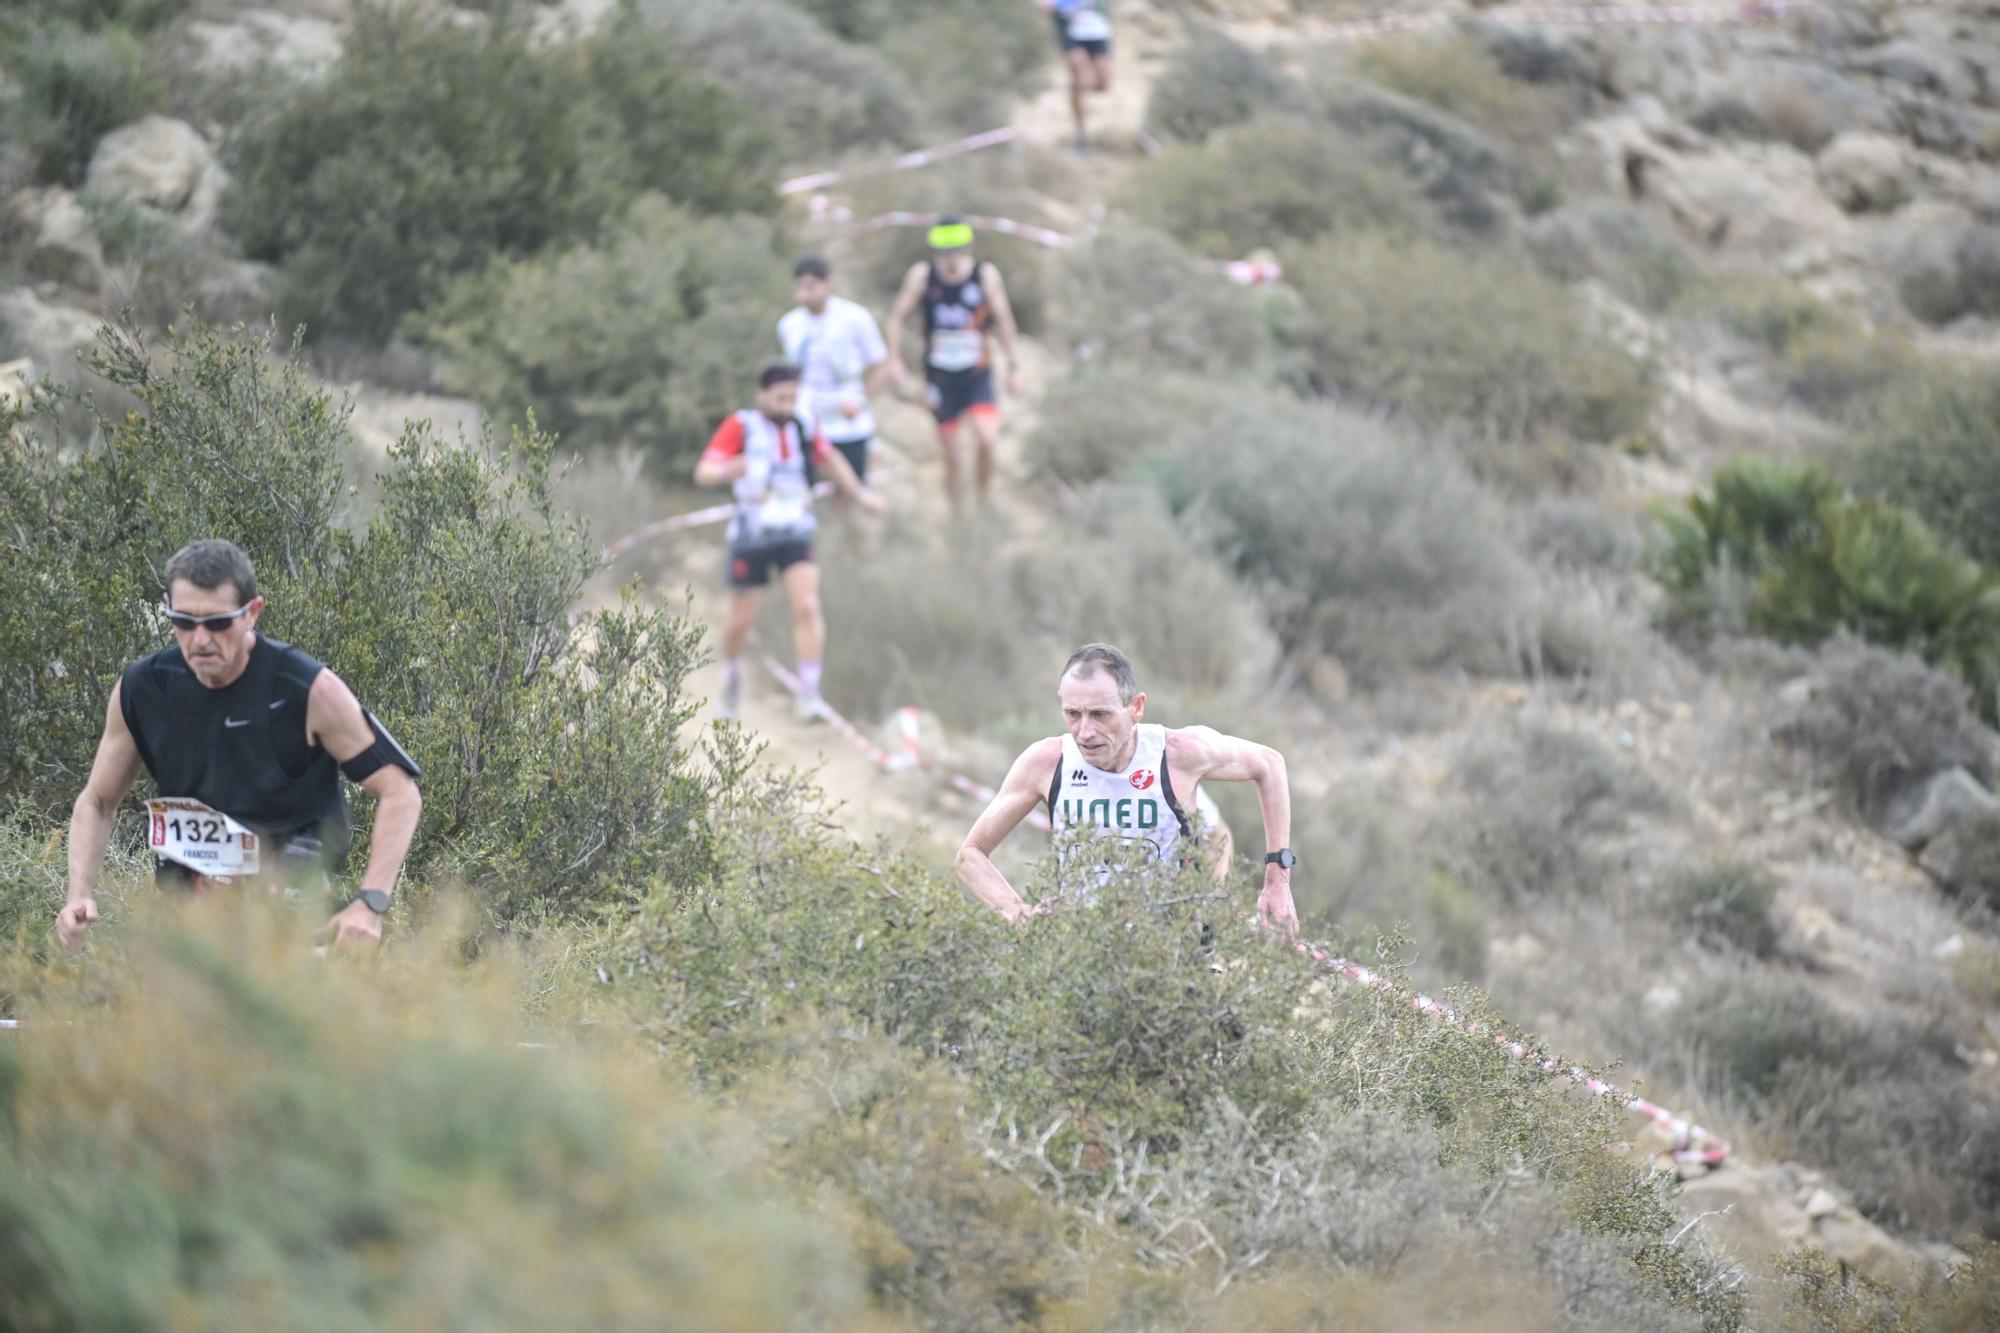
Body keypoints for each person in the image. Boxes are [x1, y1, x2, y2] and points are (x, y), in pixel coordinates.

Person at [57, 539, 423, 952]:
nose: (200, 640)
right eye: (183, 621)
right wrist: (79, 894)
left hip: (295, 921)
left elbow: (401, 792)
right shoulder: (143, 690)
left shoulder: (305, 689)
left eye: (217, 623)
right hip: (192, 924)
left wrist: (370, 904)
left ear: (252, 613)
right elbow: (97, 802)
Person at [956, 643, 1297, 932]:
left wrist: (1277, 880)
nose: (1085, 732)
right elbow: (970, 855)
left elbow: (1270, 765)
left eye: (1100, 715)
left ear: (1136, 708)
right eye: (1073, 714)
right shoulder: (1046, 763)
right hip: (1082, 952)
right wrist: (1020, 915)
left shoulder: (1178, 754)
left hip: (1174, 953)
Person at [695, 360, 884, 722]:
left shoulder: (803, 425)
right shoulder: (742, 425)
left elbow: (831, 461)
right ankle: (732, 679)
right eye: (781, 397)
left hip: (796, 529)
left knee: (808, 607)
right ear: (763, 394)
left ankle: (809, 692)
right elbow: (704, 472)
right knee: (741, 621)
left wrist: (861, 495)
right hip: (752, 532)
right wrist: (731, 468)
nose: (787, 404)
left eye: (793, 397)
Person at [883, 218, 1022, 510]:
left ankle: (985, 497)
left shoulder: (985, 276)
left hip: (977, 373)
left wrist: (1013, 366)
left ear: (966, 249)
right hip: (939, 379)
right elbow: (896, 317)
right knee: (953, 456)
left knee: (987, 438)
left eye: (955, 252)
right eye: (944, 254)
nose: (949, 261)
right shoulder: (922, 276)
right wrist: (894, 358)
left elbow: (1004, 320)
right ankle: (958, 515)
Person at [778, 255, 889, 504]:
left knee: (852, 489)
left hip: (847, 412)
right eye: (800, 287)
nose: (805, 294)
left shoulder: (855, 318)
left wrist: (861, 399)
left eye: (811, 286)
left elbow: (880, 362)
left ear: (827, 284)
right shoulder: (789, 324)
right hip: (809, 415)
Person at [1042, 0, 1114, 152]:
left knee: (1103, 84)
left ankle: (1075, 92)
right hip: (1071, 27)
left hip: (1097, 28)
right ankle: (1081, 133)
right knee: (1078, 66)